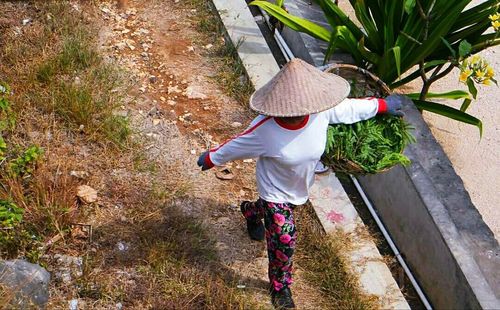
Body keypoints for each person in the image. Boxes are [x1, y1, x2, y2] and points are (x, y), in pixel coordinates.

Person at [197, 58, 408, 309]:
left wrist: (382, 105)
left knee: (275, 216)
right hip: (273, 190)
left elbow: (350, 109)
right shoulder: (264, 130)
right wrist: (212, 158)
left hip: (298, 186)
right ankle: (280, 286)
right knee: (284, 237)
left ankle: (251, 212)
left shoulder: (321, 111)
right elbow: (236, 145)